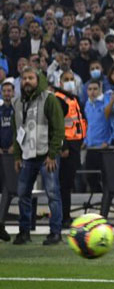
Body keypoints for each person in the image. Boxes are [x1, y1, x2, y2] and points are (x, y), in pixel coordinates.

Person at [11, 67, 65, 245]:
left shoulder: (49, 99)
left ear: (38, 80)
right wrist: (17, 156)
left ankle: (55, 233)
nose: (27, 81)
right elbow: (16, 131)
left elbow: (59, 129)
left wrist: (53, 154)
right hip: (27, 155)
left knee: (53, 194)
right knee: (23, 194)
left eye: (30, 78)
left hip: (46, 155)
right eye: (24, 78)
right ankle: (24, 232)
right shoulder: (17, 102)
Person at [54, 69, 88, 228]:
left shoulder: (74, 98)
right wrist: (63, 145)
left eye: (71, 79)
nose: (69, 82)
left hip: (76, 144)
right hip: (66, 146)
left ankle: (65, 216)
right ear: (60, 83)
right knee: (64, 184)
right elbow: (56, 124)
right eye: (66, 79)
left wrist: (82, 139)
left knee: (68, 183)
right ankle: (63, 217)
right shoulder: (58, 99)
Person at [83, 79, 111, 193]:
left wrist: (109, 141)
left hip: (103, 147)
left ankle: (107, 198)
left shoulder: (106, 102)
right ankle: (98, 196)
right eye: (90, 89)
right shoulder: (87, 104)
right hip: (91, 147)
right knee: (90, 176)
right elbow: (88, 125)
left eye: (95, 89)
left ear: (100, 89)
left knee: (106, 177)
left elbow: (112, 124)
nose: (92, 92)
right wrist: (85, 140)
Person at [0, 78, 15, 241]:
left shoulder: (17, 110)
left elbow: (23, 130)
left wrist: (15, 146)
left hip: (12, 155)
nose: (6, 93)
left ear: (14, 92)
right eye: (4, 91)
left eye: (9, 91)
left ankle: (1, 222)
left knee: (8, 188)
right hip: (0, 154)